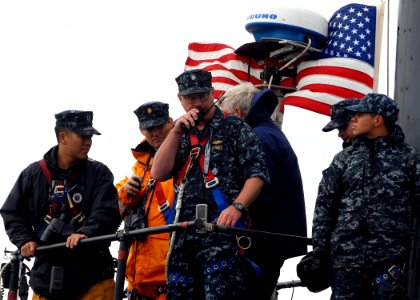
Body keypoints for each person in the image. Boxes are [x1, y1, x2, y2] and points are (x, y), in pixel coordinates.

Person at [151, 69, 269, 300]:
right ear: (180, 99)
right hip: (184, 239)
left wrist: (237, 207)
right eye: (190, 98)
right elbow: (158, 172)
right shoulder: (179, 132)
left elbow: (258, 174)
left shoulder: (234, 127)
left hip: (221, 236)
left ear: (212, 93)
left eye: (202, 96)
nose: (197, 103)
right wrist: (175, 132)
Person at [0, 110, 121, 300]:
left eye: (90, 136)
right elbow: (12, 212)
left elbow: (108, 212)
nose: (88, 141)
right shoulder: (32, 174)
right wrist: (25, 240)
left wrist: (86, 232)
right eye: (82, 136)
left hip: (93, 280)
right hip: (45, 281)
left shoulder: (100, 173)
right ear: (62, 137)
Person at [312, 93, 420, 299]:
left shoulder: (408, 159)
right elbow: (324, 208)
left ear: (377, 120)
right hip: (346, 262)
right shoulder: (344, 159)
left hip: (390, 262)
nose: (353, 119)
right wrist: (319, 253)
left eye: (360, 114)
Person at [221, 83, 307, 299]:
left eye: (225, 117)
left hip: (258, 244)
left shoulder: (259, 138)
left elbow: (260, 192)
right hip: (269, 243)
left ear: (238, 114)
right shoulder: (269, 134)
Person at [116, 101, 174, 300]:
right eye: (150, 128)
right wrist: (127, 192)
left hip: (170, 272)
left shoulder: (186, 153)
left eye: (160, 126)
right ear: (142, 130)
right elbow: (116, 203)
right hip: (138, 277)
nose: (155, 132)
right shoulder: (141, 163)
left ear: (170, 123)